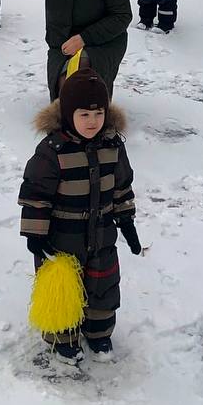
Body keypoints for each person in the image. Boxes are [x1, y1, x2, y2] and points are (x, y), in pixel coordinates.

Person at [19, 69, 140, 365]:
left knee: (103, 286)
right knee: (62, 291)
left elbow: (122, 187)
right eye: (84, 114)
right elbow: (36, 194)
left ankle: (99, 332)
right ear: (69, 114)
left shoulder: (113, 145)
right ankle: (63, 337)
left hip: (101, 233)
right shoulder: (52, 150)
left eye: (98, 114)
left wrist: (127, 221)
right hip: (61, 238)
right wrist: (36, 234)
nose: (92, 122)